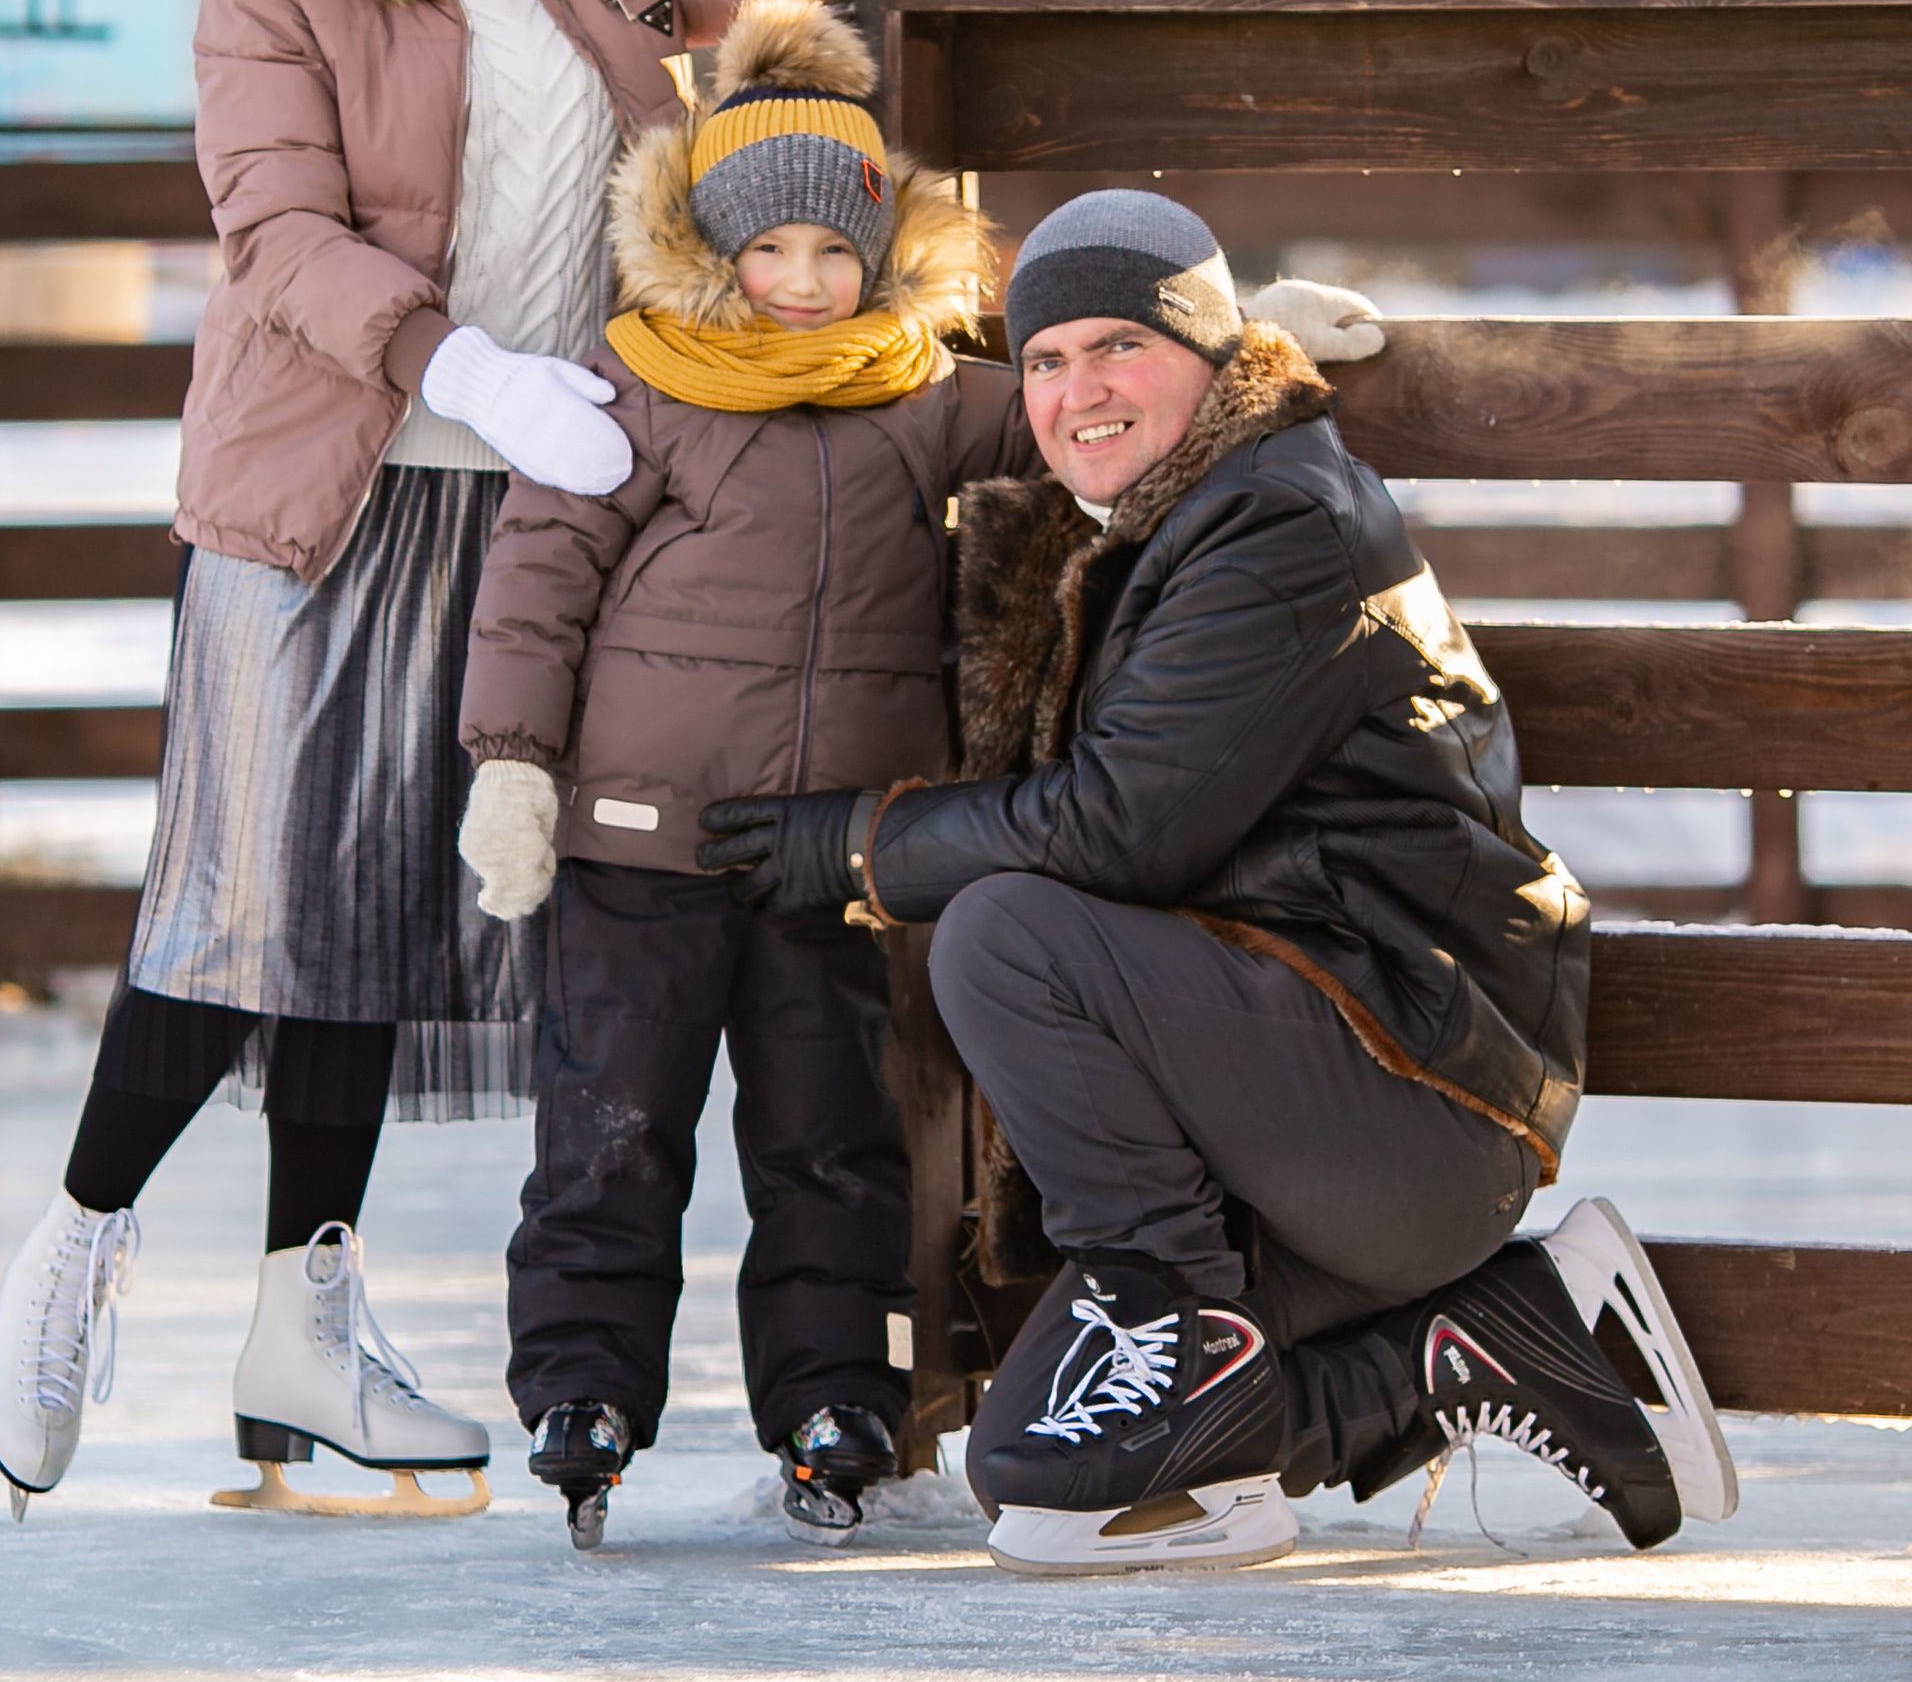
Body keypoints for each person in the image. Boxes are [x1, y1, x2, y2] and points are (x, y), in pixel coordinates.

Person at [0, 0, 857, 1521]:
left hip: (532, 511)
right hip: (324, 496)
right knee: (249, 905)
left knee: (372, 921)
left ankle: (305, 1325)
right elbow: (275, 234)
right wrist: (466, 369)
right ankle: (76, 1246)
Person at [696, 189, 1737, 1576]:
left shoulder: (1283, 524)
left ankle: (1175, 1317)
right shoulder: (1165, 521)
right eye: (1048, 360)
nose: (1079, 391)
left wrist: (863, 848)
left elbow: (1125, 830)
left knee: (1006, 933)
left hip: (1410, 1092)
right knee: (1034, 1475)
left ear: (1211, 350)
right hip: (1298, 1108)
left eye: (1119, 344)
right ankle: (1472, 1344)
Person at [455, 56, 1391, 1550]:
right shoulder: (639, 386)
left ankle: (837, 1393)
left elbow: (1084, 419)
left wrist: (1247, 337)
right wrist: (511, 759)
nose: (806, 283)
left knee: (831, 1135)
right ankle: (584, 1385)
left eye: (837, 251)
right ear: (711, 250)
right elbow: (540, 576)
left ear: (881, 256)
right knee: (611, 1123)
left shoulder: (915, 392)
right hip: (636, 835)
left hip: (830, 849)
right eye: (770, 251)